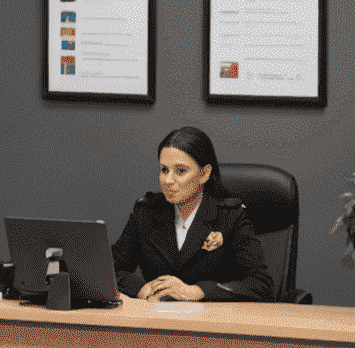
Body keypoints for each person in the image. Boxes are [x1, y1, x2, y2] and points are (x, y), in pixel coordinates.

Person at [111, 126, 273, 303]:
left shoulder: (230, 216)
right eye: (164, 169)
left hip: (212, 322)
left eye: (180, 171)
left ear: (204, 174)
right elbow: (109, 269)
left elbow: (260, 284)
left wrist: (198, 291)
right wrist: (142, 288)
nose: (168, 180)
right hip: (157, 319)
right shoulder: (147, 212)